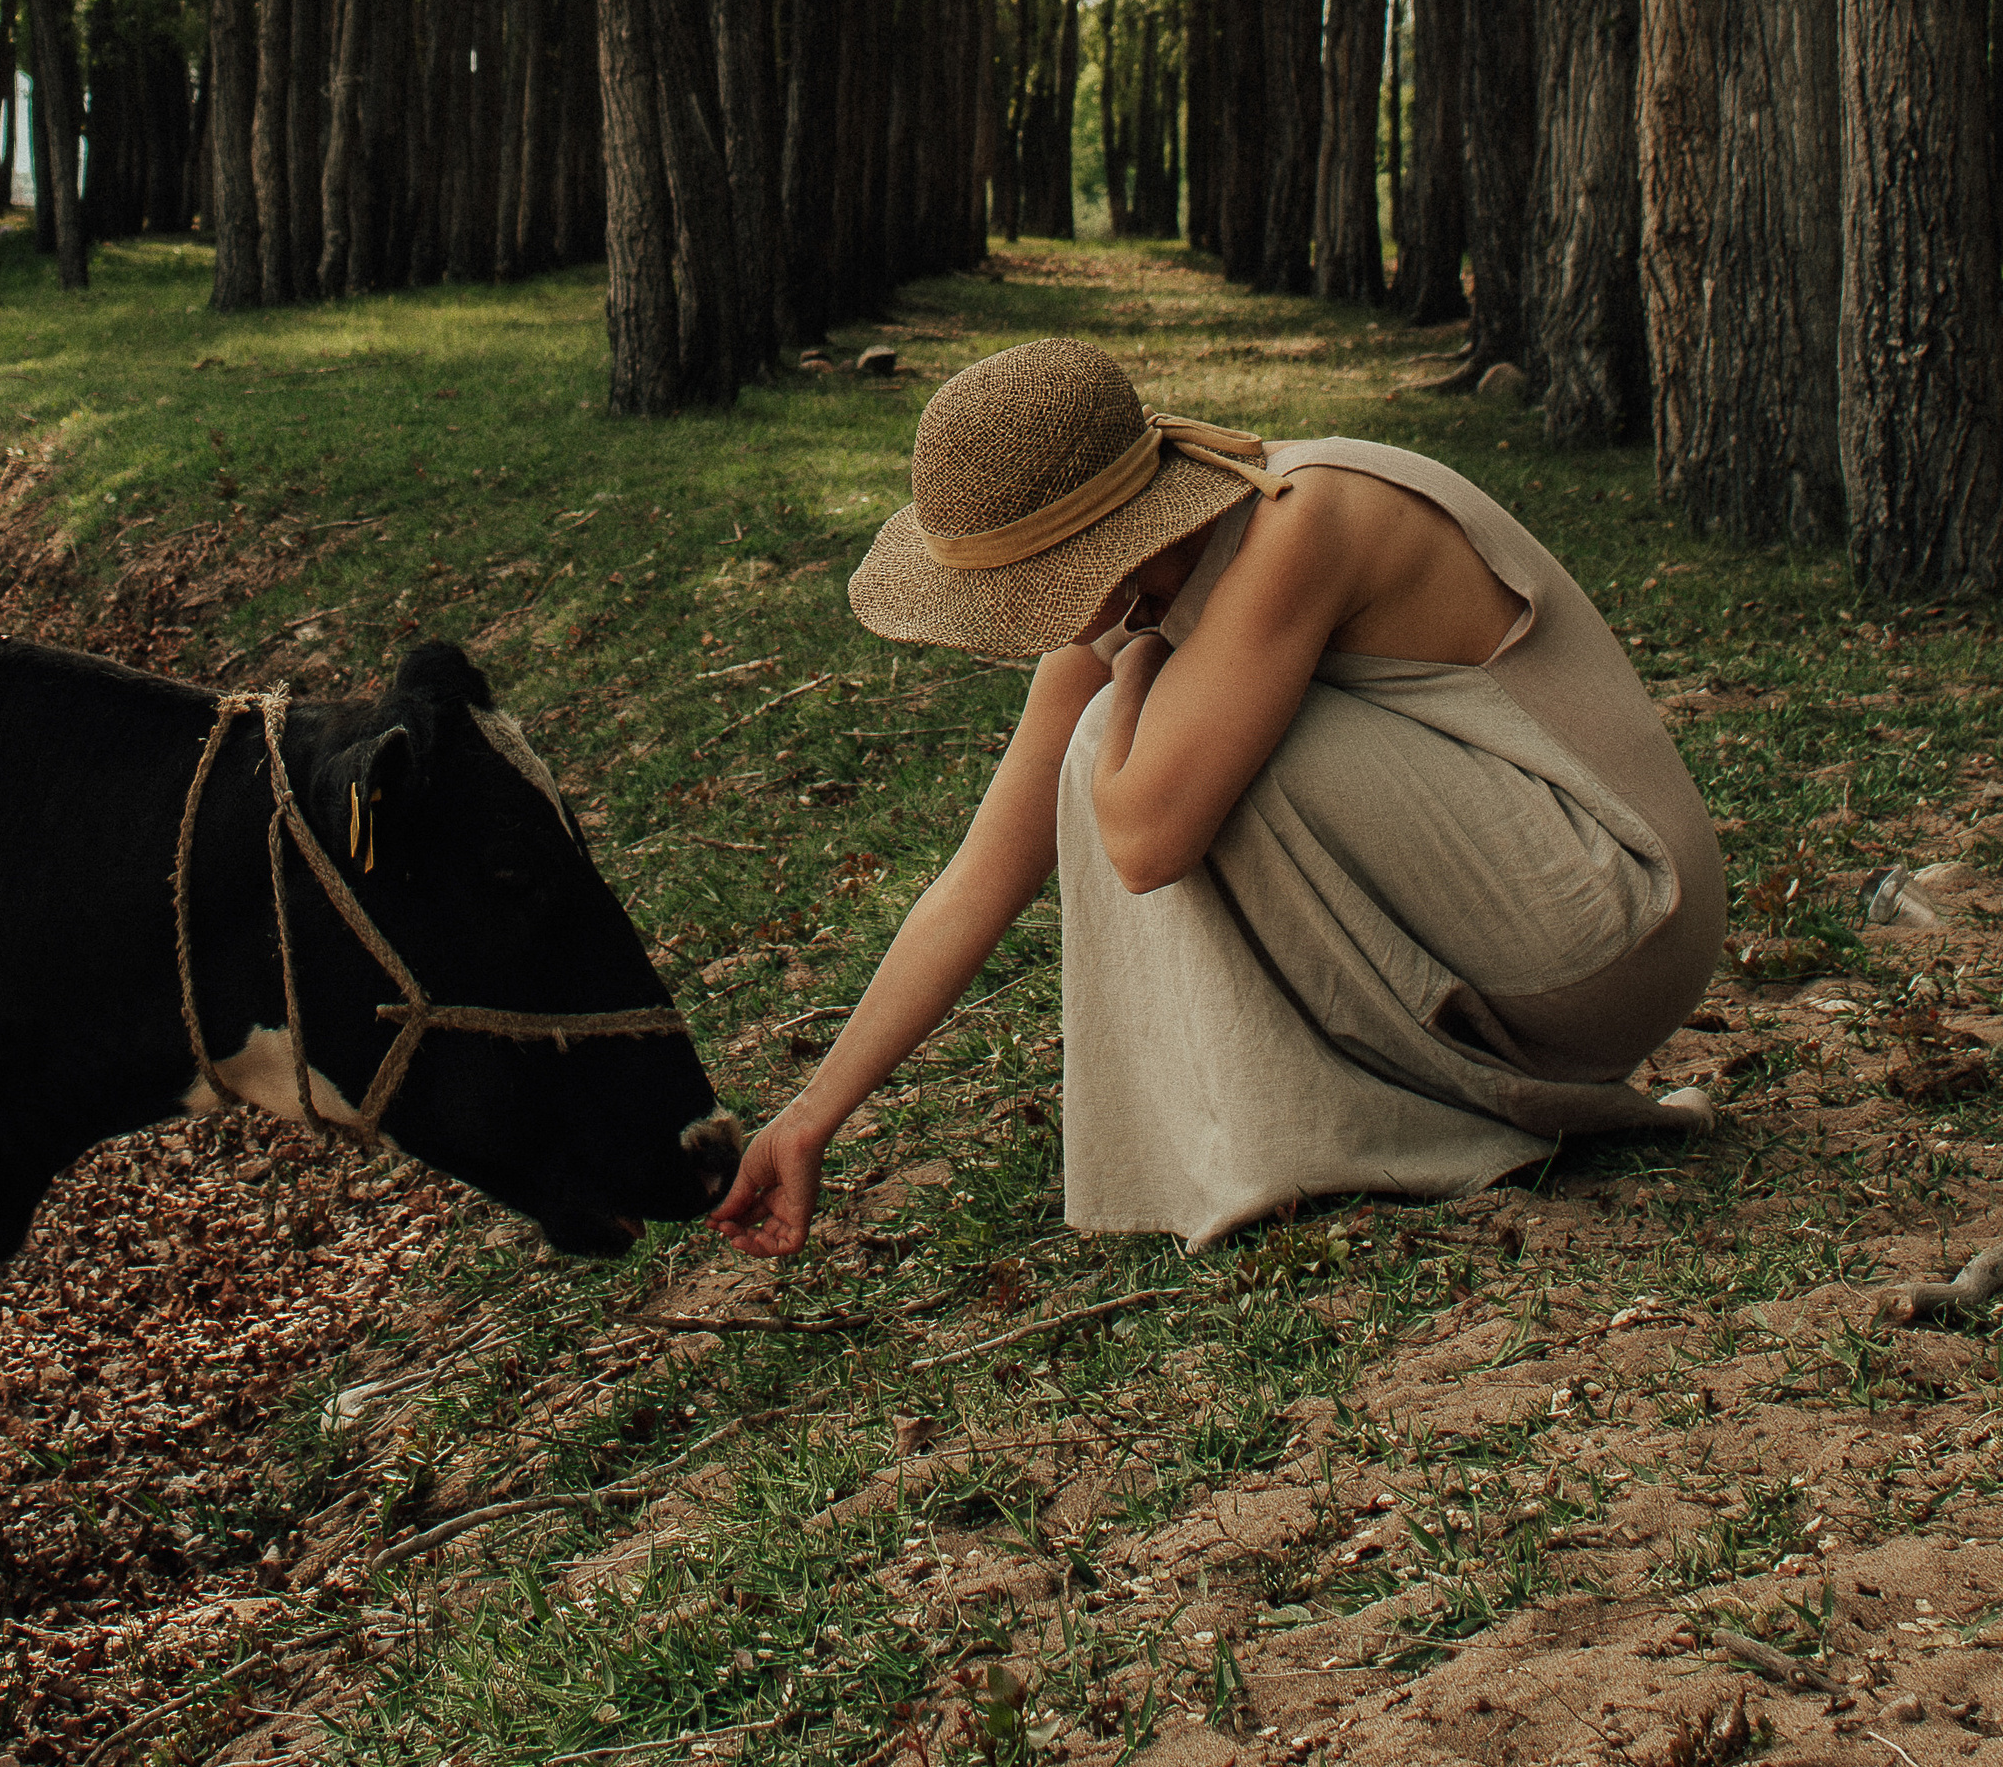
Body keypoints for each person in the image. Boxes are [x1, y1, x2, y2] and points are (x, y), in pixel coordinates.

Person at [708, 338, 1722, 1260]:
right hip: (1517, 941)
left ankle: (1331, 1135)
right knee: (1133, 741)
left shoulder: (1299, 520)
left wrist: (1138, 670)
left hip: (1620, 930)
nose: (1021, 626)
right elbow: (981, 876)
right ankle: (1344, 1122)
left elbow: (1144, 840)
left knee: (1128, 751)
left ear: (1094, 541)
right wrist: (810, 1116)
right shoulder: (1130, 594)